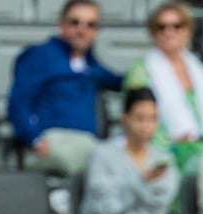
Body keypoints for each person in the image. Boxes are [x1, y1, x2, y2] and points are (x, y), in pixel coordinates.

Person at [79, 87, 195, 214]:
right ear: (124, 119)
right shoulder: (103, 155)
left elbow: (160, 206)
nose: (145, 126)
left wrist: (128, 189)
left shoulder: (163, 159)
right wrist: (141, 180)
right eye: (139, 118)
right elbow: (105, 207)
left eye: (152, 119)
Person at [8, 0, 122, 176]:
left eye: (90, 25)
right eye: (75, 22)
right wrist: (34, 138)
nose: (82, 30)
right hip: (54, 142)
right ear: (61, 24)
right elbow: (19, 103)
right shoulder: (39, 55)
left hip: (89, 143)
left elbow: (119, 82)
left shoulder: (90, 64)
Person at [124, 1, 203, 175]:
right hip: (165, 152)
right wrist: (177, 143)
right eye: (161, 27)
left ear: (188, 30)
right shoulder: (140, 71)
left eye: (177, 26)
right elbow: (138, 119)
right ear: (153, 32)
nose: (169, 32)